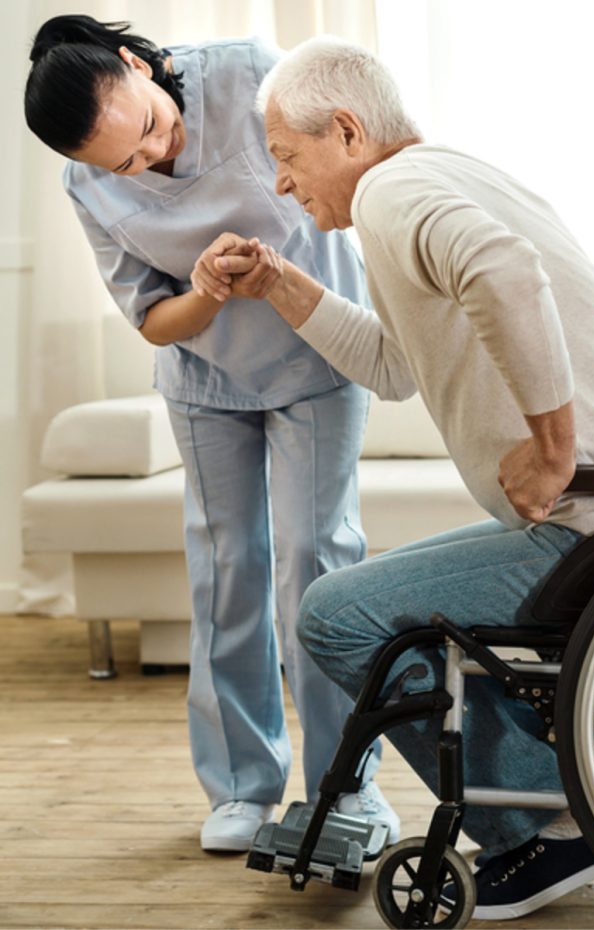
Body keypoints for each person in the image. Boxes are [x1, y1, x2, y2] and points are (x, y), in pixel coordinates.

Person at [191, 37, 594, 919]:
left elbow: (506, 272)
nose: (281, 183)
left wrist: (552, 444)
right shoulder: (443, 175)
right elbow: (396, 365)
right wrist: (279, 284)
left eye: (286, 156)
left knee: (335, 613)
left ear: (346, 131)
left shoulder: (396, 190)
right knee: (373, 599)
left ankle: (549, 832)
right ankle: (579, 793)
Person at [23, 17, 400, 853]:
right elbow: (157, 320)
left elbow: (351, 169)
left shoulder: (253, 75)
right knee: (228, 574)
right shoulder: (87, 187)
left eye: (152, 129)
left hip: (315, 353)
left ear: (137, 64)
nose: (151, 159)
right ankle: (240, 786)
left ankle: (349, 787)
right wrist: (208, 289)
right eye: (124, 164)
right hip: (204, 378)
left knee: (318, 565)